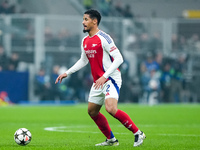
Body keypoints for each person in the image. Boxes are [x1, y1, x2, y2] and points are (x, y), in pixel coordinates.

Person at [55, 9, 146, 147]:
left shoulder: (104, 38)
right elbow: (83, 60)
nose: (83, 22)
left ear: (94, 21)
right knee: (92, 111)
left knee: (110, 108)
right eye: (83, 19)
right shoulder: (85, 40)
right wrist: (67, 72)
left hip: (111, 78)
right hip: (98, 81)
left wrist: (105, 76)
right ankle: (111, 140)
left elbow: (119, 58)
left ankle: (138, 133)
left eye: (86, 19)